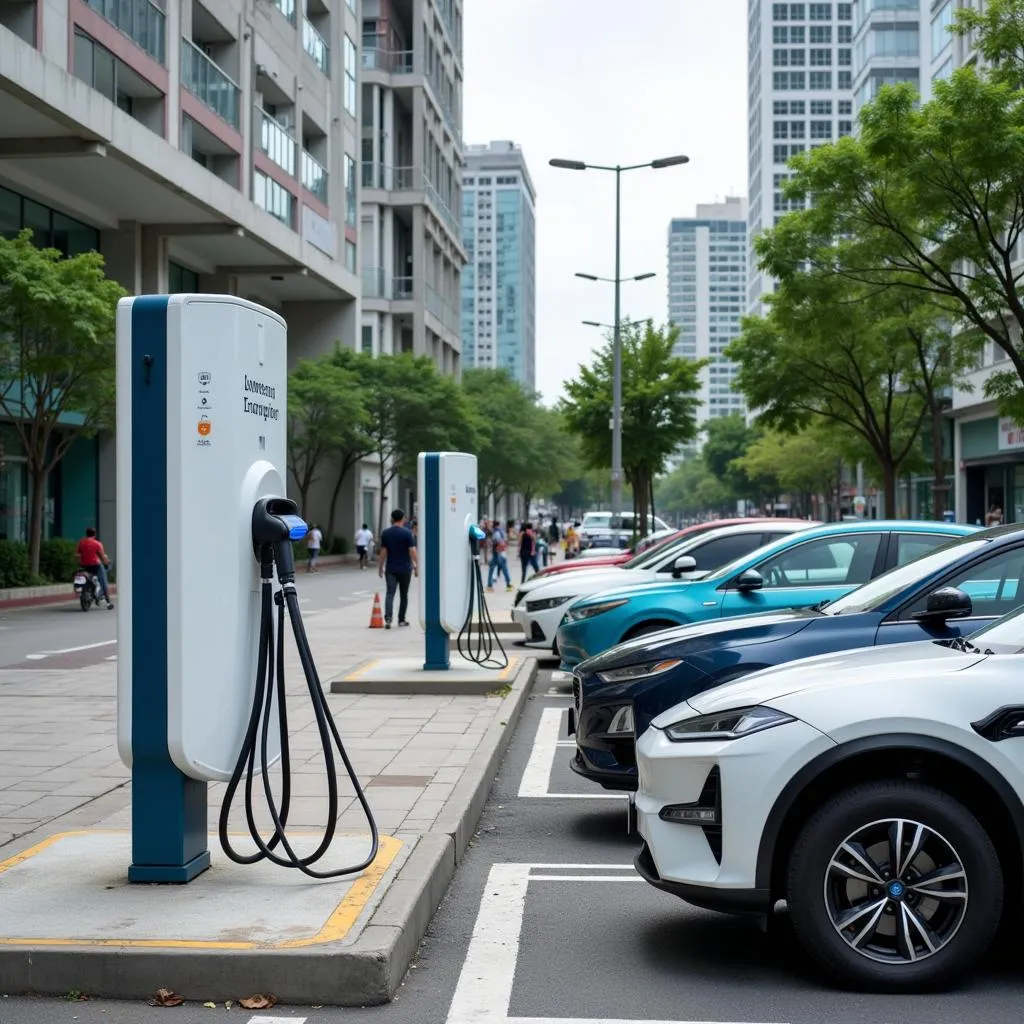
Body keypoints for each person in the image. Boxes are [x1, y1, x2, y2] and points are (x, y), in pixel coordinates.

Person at [377, 508, 418, 628]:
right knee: (403, 594)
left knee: (390, 593)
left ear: (392, 519)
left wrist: (380, 567)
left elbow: (383, 552)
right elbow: (412, 551)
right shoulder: (407, 533)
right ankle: (401, 620)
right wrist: (417, 566)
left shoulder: (386, 533)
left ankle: (388, 618)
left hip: (390, 568)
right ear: (403, 519)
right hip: (405, 568)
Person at [76, 527, 113, 609]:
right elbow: (103, 557)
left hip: (84, 566)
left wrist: (80, 563)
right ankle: (108, 602)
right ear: (95, 534)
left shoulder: (81, 543)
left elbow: (77, 555)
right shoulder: (97, 544)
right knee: (103, 581)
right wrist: (107, 563)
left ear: (86, 534)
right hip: (95, 566)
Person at [486, 519, 512, 592]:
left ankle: (489, 585)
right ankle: (508, 584)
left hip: (497, 553)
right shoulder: (497, 532)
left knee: (492, 569)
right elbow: (499, 541)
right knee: (503, 568)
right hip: (498, 553)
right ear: (498, 525)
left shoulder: (495, 531)